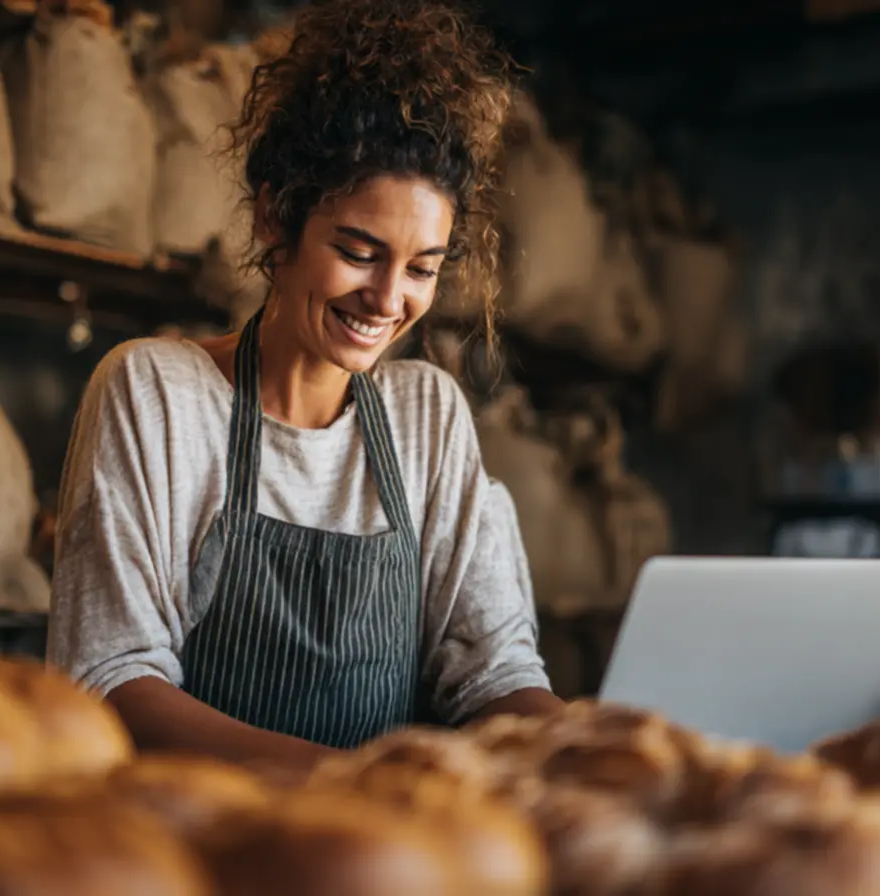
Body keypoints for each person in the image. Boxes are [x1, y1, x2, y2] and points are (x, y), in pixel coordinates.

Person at [48, 0, 562, 776]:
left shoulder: (428, 416)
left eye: (421, 269)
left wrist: (596, 745)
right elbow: (111, 680)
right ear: (274, 218)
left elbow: (493, 670)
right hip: (195, 833)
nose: (388, 299)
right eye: (359, 253)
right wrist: (347, 783)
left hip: (383, 838)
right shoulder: (158, 394)